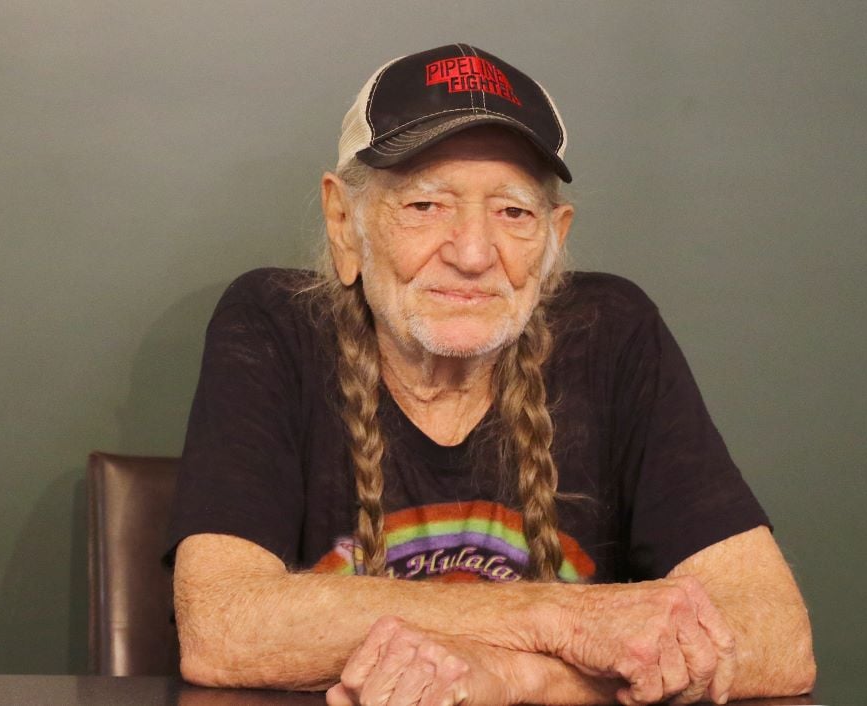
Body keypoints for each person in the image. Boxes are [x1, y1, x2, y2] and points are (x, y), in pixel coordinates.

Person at [167, 43, 815, 706]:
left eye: (513, 212)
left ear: (554, 238)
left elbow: (776, 639)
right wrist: (561, 620)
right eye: (425, 206)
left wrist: (515, 675)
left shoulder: (613, 333)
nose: (473, 253)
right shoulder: (274, 327)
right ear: (345, 223)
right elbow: (224, 626)